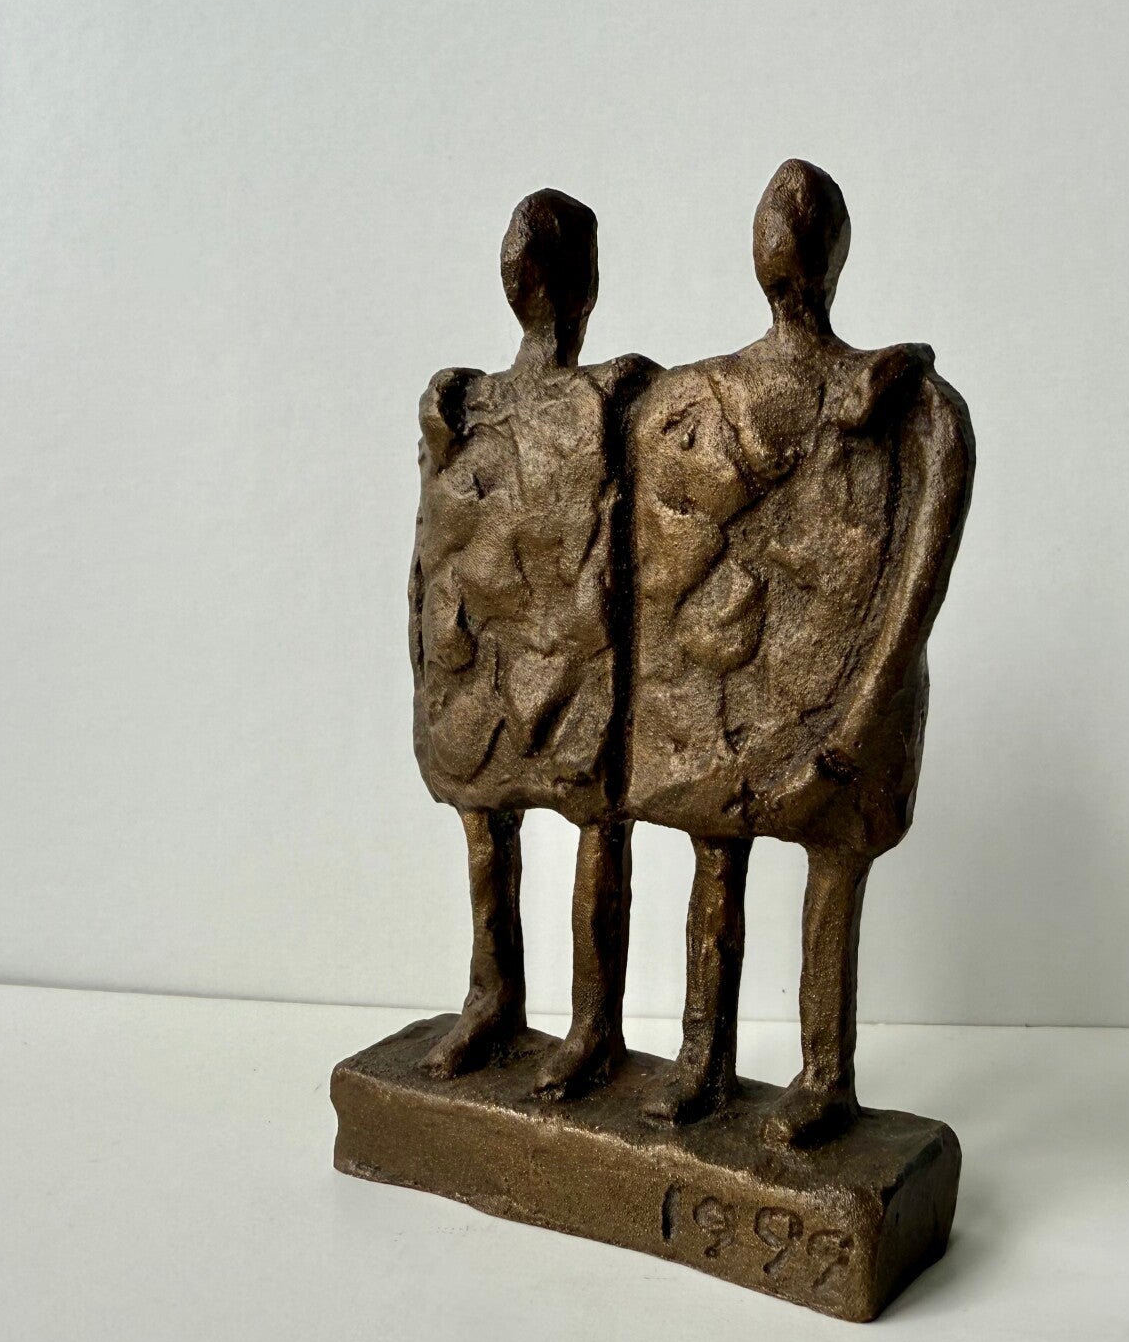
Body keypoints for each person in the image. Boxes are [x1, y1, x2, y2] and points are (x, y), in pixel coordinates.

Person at [627, 160, 975, 1145]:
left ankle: (823, 1074)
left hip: (843, 685)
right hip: (742, 679)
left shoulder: (917, 407)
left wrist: (866, 708)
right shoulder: (703, 396)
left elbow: (920, 582)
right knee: (716, 853)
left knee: (830, 870)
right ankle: (703, 1057)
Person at [410, 189, 655, 1099]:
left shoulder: (612, 393)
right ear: (585, 287)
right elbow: (431, 541)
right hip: (493, 644)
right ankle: (498, 999)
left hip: (577, 647)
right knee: (494, 818)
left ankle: (590, 1024)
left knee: (590, 821)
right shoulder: (469, 403)